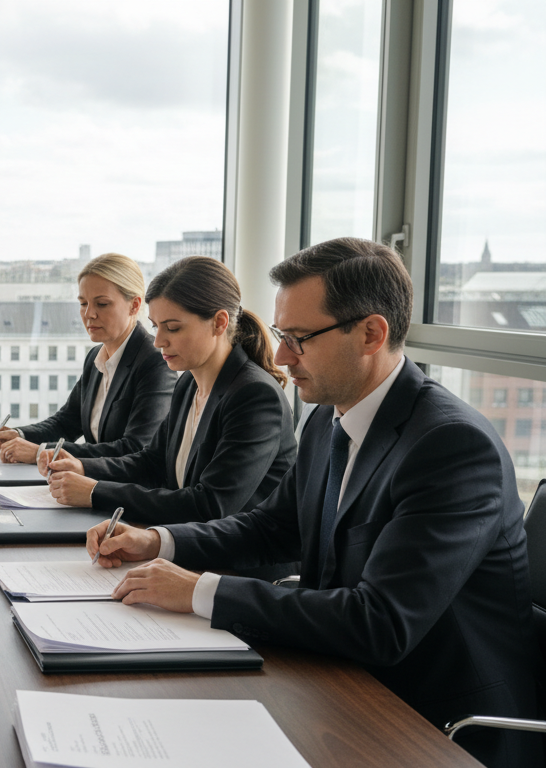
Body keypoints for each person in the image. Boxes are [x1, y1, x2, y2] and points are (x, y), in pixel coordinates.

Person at [89, 238, 538, 768]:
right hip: (340, 682)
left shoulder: (452, 447)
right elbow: (271, 527)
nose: (281, 356)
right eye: (282, 335)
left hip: (434, 726)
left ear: (371, 334)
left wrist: (200, 591)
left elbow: (380, 623)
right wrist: (157, 541)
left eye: (299, 338)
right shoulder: (329, 417)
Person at [43, 257, 297, 543]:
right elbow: (152, 462)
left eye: (173, 328)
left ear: (219, 323)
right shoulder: (189, 382)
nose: (158, 341)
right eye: (155, 327)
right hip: (190, 545)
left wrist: (95, 491)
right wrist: (83, 468)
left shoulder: (255, 396)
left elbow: (209, 505)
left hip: (236, 560)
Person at [0, 253, 176, 464]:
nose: (89, 314)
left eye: (102, 304)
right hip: (88, 478)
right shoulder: (95, 357)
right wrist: (19, 435)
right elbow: (66, 423)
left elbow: (135, 448)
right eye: (83, 303)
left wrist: (42, 452)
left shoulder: (156, 362)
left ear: (134, 305)